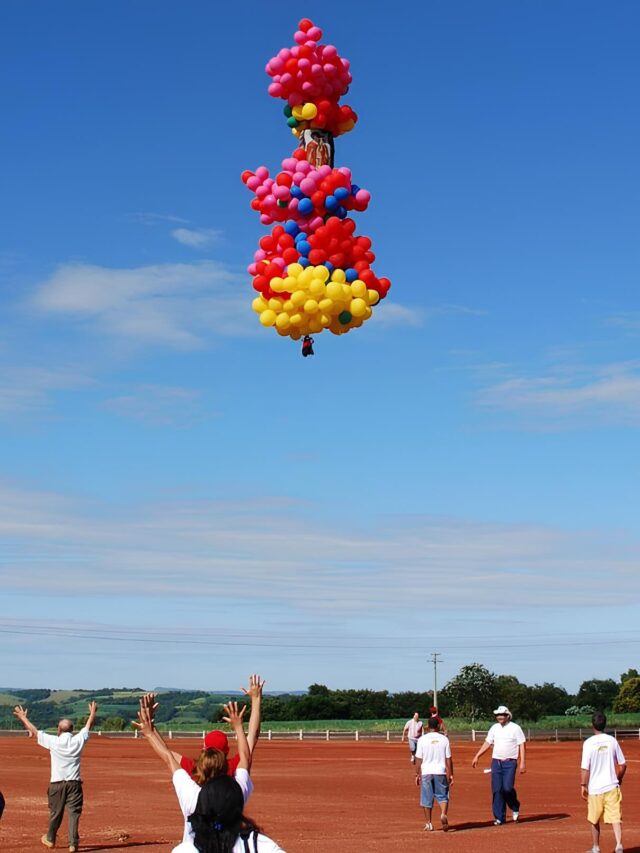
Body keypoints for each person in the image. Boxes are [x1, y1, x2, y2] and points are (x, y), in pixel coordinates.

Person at [134, 699, 285, 852]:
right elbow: (248, 748)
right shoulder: (235, 789)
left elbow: (168, 757)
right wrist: (248, 713)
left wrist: (149, 731)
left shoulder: (192, 790)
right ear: (226, 752)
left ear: (204, 751)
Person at [13, 700, 97, 852]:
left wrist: (23, 718)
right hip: (74, 783)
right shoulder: (78, 740)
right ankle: (73, 843)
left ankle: (50, 839)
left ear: (59, 729)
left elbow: (35, 731)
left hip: (57, 784)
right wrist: (92, 713)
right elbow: (88, 726)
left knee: (55, 813)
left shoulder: (54, 741)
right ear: (72, 730)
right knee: (74, 814)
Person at [175, 674, 265, 779]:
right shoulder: (236, 766)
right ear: (227, 750)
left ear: (204, 750)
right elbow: (253, 735)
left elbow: (168, 755)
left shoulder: (195, 769)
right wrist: (256, 699)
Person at [471, 704, 526, 825]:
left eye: (502, 715)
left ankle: (515, 805)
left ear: (507, 716)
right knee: (497, 790)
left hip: (510, 763)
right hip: (496, 762)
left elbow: (522, 744)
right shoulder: (494, 728)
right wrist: (477, 756)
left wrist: (522, 762)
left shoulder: (515, 728)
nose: (500, 717)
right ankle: (499, 817)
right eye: (498, 715)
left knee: (507, 788)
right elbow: (487, 743)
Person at [581, 711, 626, 853]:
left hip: (595, 788)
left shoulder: (588, 743)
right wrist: (619, 778)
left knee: (594, 819)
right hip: (611, 786)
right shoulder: (612, 741)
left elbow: (585, 768)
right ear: (605, 724)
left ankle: (596, 847)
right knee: (615, 817)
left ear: (592, 725)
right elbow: (622, 765)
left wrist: (583, 785)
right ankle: (619, 844)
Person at [415, 717, 453, 832]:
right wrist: (451, 774)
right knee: (443, 795)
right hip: (440, 771)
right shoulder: (444, 739)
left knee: (426, 798)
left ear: (428, 726)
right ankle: (443, 813)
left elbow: (418, 759)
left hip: (426, 771)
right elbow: (448, 759)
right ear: (438, 726)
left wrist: (417, 774)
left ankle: (429, 823)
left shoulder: (422, 739)